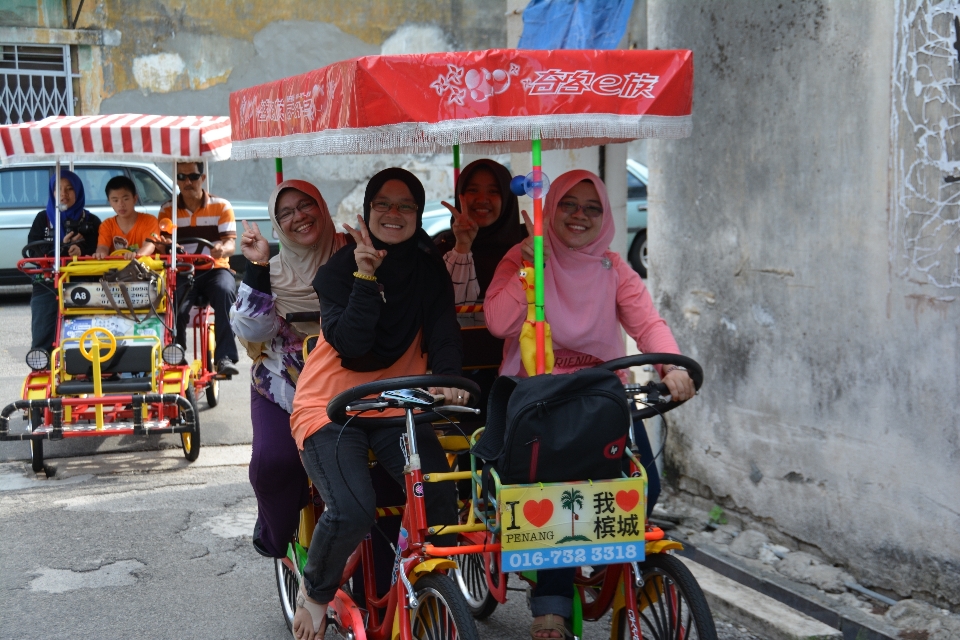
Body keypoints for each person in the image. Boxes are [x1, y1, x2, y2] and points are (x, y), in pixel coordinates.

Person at [484, 169, 696, 640]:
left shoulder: (613, 267)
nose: (580, 215)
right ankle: (552, 605)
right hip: (536, 399)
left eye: (591, 207)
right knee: (557, 500)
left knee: (645, 486)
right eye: (568, 204)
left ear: (603, 216)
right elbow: (499, 323)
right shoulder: (521, 258)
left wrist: (673, 368)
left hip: (600, 398)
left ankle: (600, 561)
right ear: (550, 207)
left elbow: (648, 323)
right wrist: (529, 267)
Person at [289, 168, 469, 640]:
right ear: (367, 212)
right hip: (331, 406)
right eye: (383, 205)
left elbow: (444, 330)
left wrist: (450, 380)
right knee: (352, 508)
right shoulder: (338, 270)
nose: (394, 214)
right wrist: (366, 276)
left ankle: (426, 586)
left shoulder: (428, 268)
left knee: (442, 500)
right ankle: (316, 591)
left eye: (405, 205)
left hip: (396, 402)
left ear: (417, 213)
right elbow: (351, 343)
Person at [229, 179, 348, 559]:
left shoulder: (353, 253)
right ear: (277, 225)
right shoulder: (271, 268)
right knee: (275, 462)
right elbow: (252, 329)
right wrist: (259, 265)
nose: (299, 217)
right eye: (286, 213)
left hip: (352, 385)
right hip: (285, 385)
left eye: (306, 205)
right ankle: (276, 532)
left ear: (323, 207)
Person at [159, 162, 240, 376]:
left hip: (215, 268)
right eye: (182, 177)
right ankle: (176, 355)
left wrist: (222, 249)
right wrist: (169, 246)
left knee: (225, 292)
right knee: (174, 302)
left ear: (202, 178)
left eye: (193, 177)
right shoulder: (168, 209)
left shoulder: (221, 206)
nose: (187, 182)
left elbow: (231, 243)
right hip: (184, 270)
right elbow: (162, 242)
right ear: (176, 180)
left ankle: (225, 357)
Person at [26, 170, 101, 353]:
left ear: (79, 191)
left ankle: (86, 371)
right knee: (43, 334)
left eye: (69, 189)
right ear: (52, 192)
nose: (63, 194)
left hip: (84, 282)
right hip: (47, 283)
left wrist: (82, 251)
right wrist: (61, 248)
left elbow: (100, 249)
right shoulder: (42, 219)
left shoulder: (91, 221)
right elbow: (33, 251)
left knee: (85, 335)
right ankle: (43, 368)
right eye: (58, 189)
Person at [434, 158, 526, 305]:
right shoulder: (441, 248)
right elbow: (442, 306)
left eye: (493, 191)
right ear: (460, 195)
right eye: (473, 190)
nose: (483, 199)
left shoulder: (527, 246)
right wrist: (462, 247)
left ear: (507, 198)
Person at [94, 176, 160, 259]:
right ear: (109, 202)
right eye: (115, 200)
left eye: (125, 199)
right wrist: (100, 254)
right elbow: (102, 247)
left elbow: (149, 245)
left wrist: (136, 256)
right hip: (116, 270)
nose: (121, 204)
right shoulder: (106, 225)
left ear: (135, 199)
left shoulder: (150, 221)